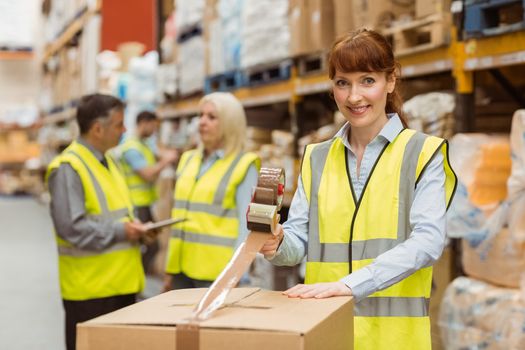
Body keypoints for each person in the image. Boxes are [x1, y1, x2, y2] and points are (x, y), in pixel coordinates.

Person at [260, 29, 457, 350]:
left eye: (367, 80)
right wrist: (277, 242)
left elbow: (428, 241)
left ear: (390, 81)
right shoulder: (316, 157)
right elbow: (298, 242)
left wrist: (348, 286)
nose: (354, 96)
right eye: (342, 83)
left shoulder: (423, 153)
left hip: (394, 341)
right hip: (328, 335)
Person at [46, 94, 148, 350]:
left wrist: (138, 230)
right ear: (97, 129)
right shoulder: (69, 168)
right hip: (90, 292)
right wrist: (122, 231)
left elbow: (116, 212)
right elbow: (71, 228)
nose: (124, 130)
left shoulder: (109, 161)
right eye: (119, 125)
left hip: (122, 285)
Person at [164, 92, 260, 290]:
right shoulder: (188, 159)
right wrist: (169, 271)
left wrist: (235, 273)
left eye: (211, 117)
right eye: (200, 115)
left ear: (229, 123)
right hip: (180, 270)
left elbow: (247, 226)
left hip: (217, 274)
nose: (202, 122)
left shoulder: (244, 165)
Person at [118, 111, 178, 273]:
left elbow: (159, 153)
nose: (154, 131)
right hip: (135, 205)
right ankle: (134, 278)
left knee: (151, 244)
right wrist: (165, 161)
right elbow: (147, 174)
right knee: (146, 245)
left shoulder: (143, 144)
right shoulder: (131, 147)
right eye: (153, 126)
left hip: (144, 204)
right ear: (144, 123)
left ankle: (137, 279)